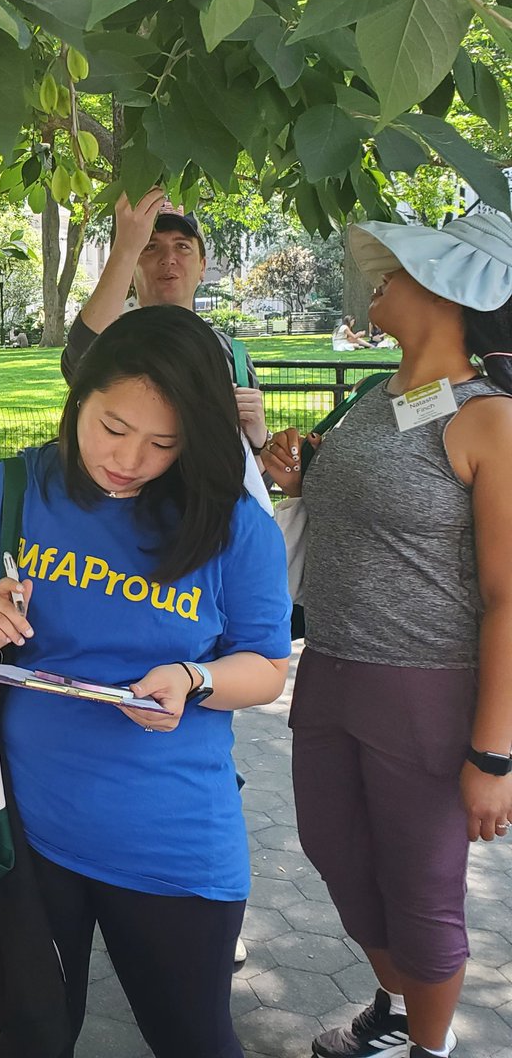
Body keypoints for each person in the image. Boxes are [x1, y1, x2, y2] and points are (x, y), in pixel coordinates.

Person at [0, 306, 293, 1058]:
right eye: (112, 428)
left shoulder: (232, 524)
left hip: (171, 836)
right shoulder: (19, 487)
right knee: (34, 1036)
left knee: (195, 1039)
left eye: (163, 443)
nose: (128, 459)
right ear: (78, 397)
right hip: (26, 827)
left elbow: (267, 668)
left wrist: (194, 677)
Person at [261, 214, 512, 1058]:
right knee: (334, 850)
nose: (378, 285)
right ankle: (401, 1004)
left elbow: (508, 596)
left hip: (427, 693)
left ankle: (425, 1050)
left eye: (395, 273)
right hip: (330, 669)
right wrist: (300, 477)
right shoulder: (377, 396)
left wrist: (493, 755)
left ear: (449, 292)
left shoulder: (490, 421)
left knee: (423, 889)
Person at [63, 188, 271, 499]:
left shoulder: (233, 356)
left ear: (202, 266)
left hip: (202, 524)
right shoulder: (115, 343)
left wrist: (259, 439)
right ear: (132, 268)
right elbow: (80, 355)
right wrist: (126, 246)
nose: (168, 259)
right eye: (151, 247)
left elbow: (252, 480)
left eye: (182, 247)